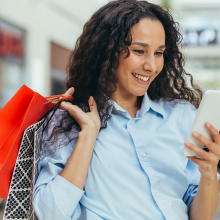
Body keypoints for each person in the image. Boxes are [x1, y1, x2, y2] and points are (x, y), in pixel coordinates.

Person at [33, 1, 220, 219]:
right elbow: (50, 214)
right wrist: (88, 137)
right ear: (107, 51)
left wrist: (208, 172)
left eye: (159, 53)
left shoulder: (181, 116)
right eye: (139, 51)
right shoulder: (70, 121)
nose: (151, 66)